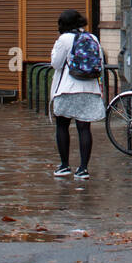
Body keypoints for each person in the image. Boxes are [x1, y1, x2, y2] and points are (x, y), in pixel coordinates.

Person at [49, 9, 105, 179]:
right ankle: (83, 169)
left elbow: (56, 64)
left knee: (62, 125)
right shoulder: (92, 38)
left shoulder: (64, 39)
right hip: (89, 88)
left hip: (68, 88)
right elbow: (100, 63)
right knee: (84, 128)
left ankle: (65, 166)